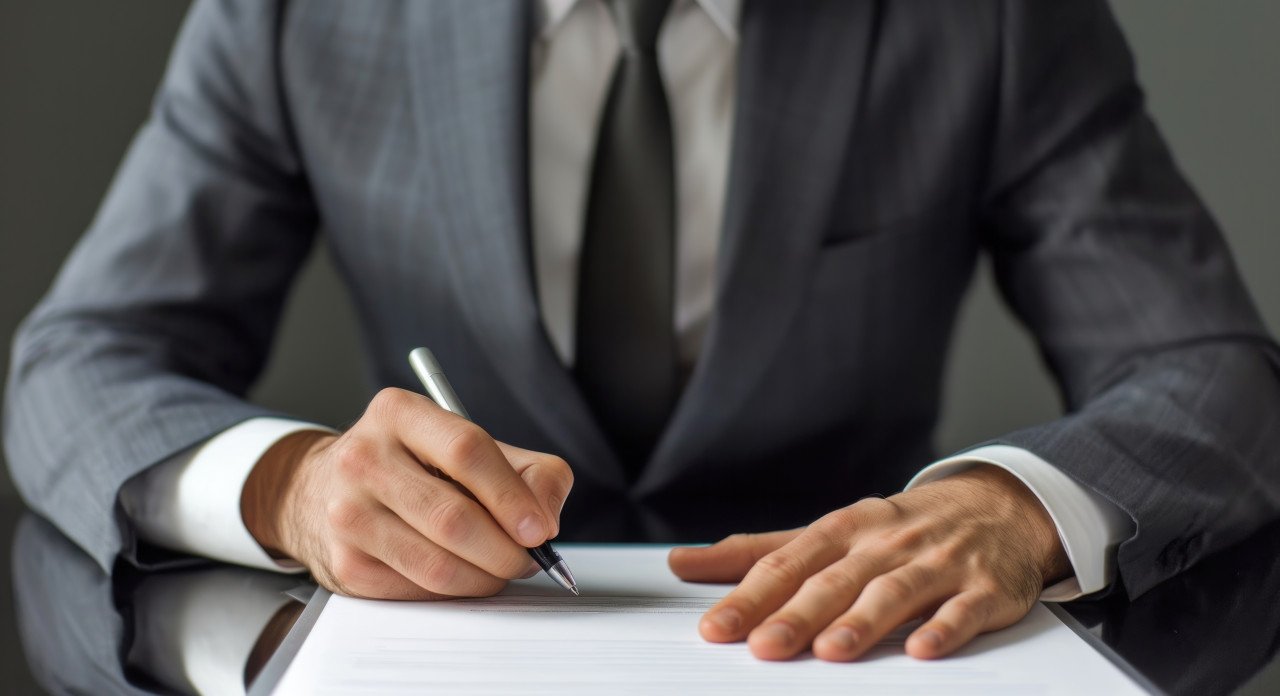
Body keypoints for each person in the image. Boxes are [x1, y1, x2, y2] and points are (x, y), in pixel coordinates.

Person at [6, 0, 1279, 664]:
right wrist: (293, 488)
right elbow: (78, 361)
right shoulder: (299, 17)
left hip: (842, 656)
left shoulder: (988, 20)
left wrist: (1014, 504)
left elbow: (1213, 373)